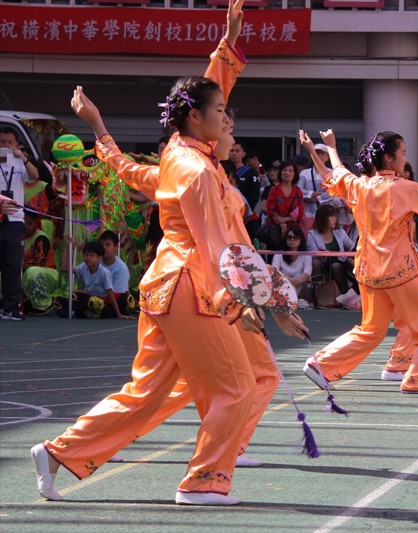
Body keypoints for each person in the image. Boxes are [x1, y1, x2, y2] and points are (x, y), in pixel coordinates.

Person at [30, 1, 283, 506]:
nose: (228, 119)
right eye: (221, 113)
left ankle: (59, 451)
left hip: (169, 286)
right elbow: (213, 244)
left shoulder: (179, 156)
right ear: (196, 117)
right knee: (240, 385)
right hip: (196, 287)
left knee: (152, 393)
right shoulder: (196, 170)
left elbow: (135, 164)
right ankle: (204, 481)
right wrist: (245, 297)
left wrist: (228, 43)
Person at [299, 129, 418, 394]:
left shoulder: (361, 185)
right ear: (388, 158)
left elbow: (337, 173)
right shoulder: (405, 188)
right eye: (403, 153)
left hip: (368, 269)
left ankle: (321, 365)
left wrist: (330, 147)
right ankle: (417, 380)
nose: (405, 158)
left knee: (372, 329)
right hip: (399, 269)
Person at [1, 127, 41, 320]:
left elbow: (35, 176)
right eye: (2, 142)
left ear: (16, 144)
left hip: (15, 219)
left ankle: (11, 308)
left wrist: (24, 158)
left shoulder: (19, 161)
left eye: (10, 142)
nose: (6, 145)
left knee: (13, 265)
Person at [307, 203, 356, 297]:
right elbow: (312, 253)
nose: (335, 219)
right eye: (331, 217)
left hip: (340, 263)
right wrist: (323, 253)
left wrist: (350, 258)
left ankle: (344, 294)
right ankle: (318, 295)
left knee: (336, 266)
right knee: (315, 263)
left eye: (335, 216)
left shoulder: (340, 232)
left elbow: (352, 247)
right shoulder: (312, 234)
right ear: (323, 219)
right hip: (323, 263)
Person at [261, 160, 304, 251]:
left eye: (290, 171)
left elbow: (300, 213)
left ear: (294, 174)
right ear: (280, 172)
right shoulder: (274, 190)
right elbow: (271, 210)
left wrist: (285, 220)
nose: (287, 173)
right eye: (284, 170)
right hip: (274, 230)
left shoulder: (298, 191)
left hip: (293, 230)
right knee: (274, 255)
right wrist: (281, 224)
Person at [271, 225, 314, 307]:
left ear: (301, 240)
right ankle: (291, 301)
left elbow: (307, 273)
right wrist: (290, 281)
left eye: (296, 237)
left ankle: (289, 301)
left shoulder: (306, 255)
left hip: (299, 284)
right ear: (285, 239)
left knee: (299, 276)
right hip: (282, 284)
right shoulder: (278, 254)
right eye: (289, 237)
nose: (292, 240)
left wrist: (296, 282)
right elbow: (274, 272)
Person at [297, 143, 331, 232]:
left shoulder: (332, 173)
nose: (319, 155)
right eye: (316, 153)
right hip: (308, 212)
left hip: (326, 211)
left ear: (327, 157)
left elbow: (333, 192)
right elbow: (299, 191)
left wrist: (317, 198)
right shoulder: (304, 173)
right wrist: (311, 194)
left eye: (322, 153)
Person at [98, 230, 133, 313]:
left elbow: (118, 293)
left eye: (107, 245)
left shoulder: (121, 268)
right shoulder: (95, 262)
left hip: (115, 299)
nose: (104, 248)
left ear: (116, 247)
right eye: (101, 245)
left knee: (122, 299)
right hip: (98, 297)